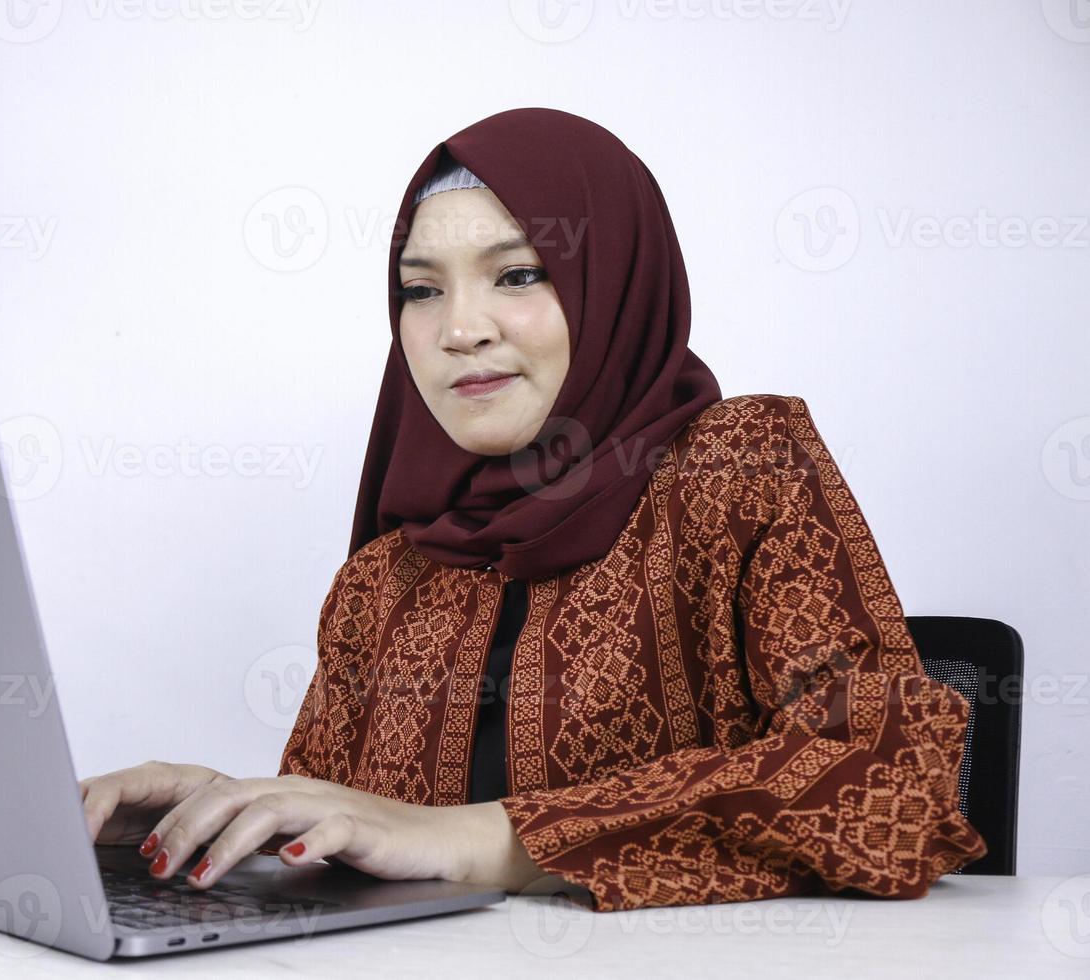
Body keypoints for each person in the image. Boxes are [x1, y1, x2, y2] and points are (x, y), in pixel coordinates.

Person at [79, 107, 987, 911]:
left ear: (615, 282)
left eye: (516, 275)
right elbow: (351, 831)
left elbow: (891, 781)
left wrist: (486, 838)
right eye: (421, 289)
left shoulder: (738, 470)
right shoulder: (387, 577)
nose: (459, 329)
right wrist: (225, 812)